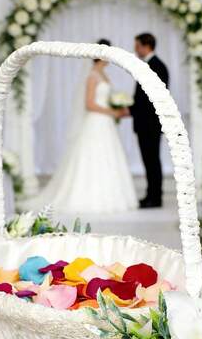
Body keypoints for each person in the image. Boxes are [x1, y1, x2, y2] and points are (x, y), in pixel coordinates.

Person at [25, 39, 138, 214]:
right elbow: (89, 104)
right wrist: (112, 112)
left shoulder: (103, 74)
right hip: (96, 121)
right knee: (93, 156)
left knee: (108, 156)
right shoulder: (92, 76)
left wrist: (117, 106)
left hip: (105, 123)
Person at [126, 33, 169, 208]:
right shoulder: (150, 65)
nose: (135, 49)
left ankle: (155, 197)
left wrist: (130, 110)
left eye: (137, 46)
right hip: (145, 123)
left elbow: (151, 99)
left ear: (146, 46)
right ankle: (151, 194)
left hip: (150, 124)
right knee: (149, 161)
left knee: (152, 161)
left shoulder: (156, 66)